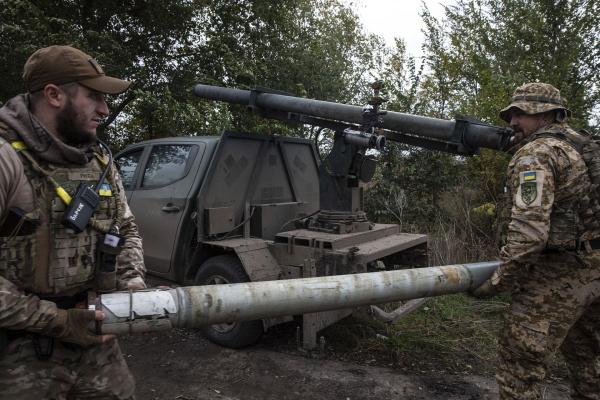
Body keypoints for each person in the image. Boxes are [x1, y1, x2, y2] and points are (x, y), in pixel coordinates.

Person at [0, 45, 146, 399]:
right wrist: (61, 322)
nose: (105, 109)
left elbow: (125, 228)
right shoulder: (7, 160)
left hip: (95, 334)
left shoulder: (98, 161)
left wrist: (133, 283)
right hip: (22, 343)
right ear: (53, 94)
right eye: (93, 96)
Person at [472, 82, 600, 399]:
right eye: (511, 114)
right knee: (590, 364)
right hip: (594, 268)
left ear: (549, 115)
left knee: (520, 369)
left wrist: (499, 281)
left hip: (559, 275)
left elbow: (529, 235)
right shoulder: (583, 147)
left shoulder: (535, 155)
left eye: (522, 113)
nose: (512, 121)